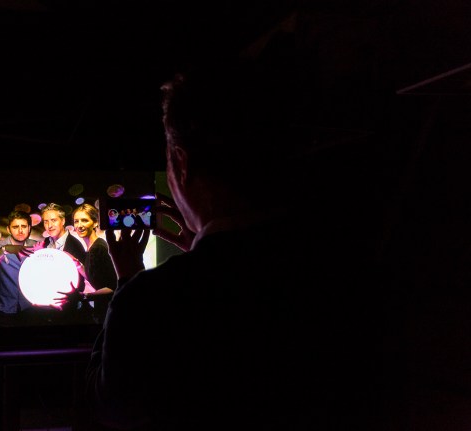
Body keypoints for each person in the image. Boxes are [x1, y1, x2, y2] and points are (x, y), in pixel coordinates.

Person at [85, 54, 393, 430]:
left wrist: (130, 281)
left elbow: (110, 407)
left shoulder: (150, 299)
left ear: (181, 163)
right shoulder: (347, 272)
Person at [38, 203, 90, 322]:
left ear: (63, 221)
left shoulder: (76, 245)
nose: (49, 225)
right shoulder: (45, 243)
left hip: (70, 307)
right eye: (46, 221)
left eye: (53, 220)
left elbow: (88, 278)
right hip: (47, 304)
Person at [72, 203, 118, 325]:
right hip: (102, 308)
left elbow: (112, 287)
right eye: (76, 221)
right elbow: (94, 277)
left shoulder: (99, 248)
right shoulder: (92, 247)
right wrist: (77, 264)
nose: (79, 225)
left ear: (95, 223)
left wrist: (84, 296)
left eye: (84, 220)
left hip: (109, 311)